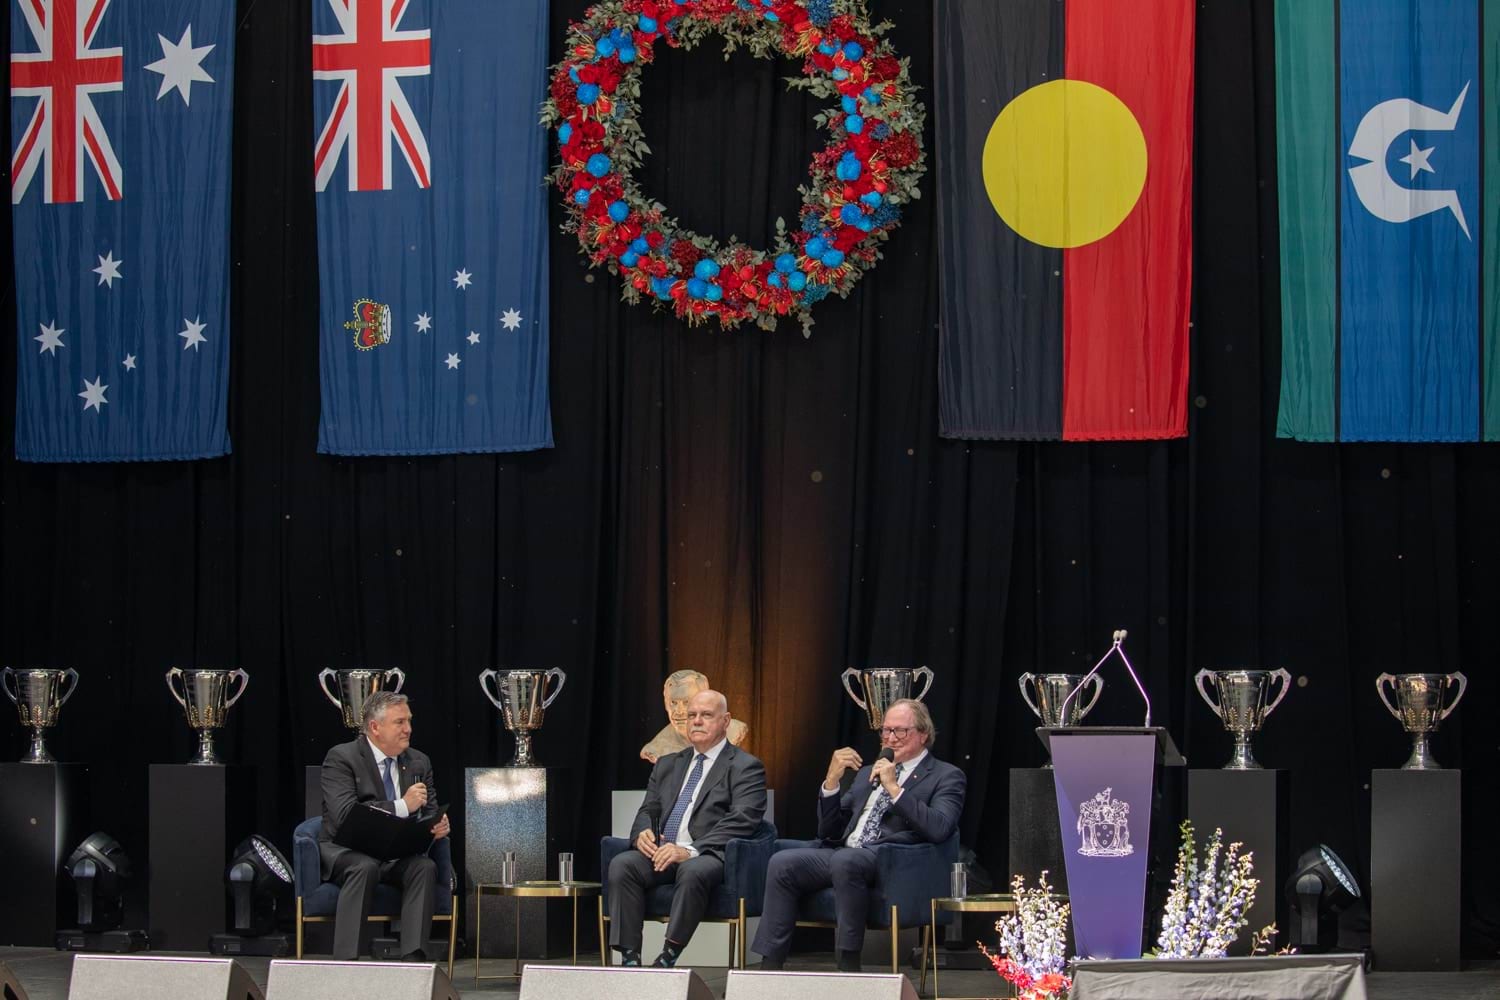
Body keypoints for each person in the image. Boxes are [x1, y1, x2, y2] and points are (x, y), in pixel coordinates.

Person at [752, 698, 965, 972]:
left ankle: (848, 963)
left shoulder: (946, 775)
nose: (890, 739)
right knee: (783, 862)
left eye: (900, 731)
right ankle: (769, 967)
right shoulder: (867, 773)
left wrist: (894, 788)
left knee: (846, 861)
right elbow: (829, 832)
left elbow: (940, 828)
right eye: (886, 731)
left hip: (892, 860)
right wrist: (831, 782)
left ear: (923, 734)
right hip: (846, 852)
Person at [610, 689, 767, 967]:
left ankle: (668, 956)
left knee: (694, 870)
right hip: (662, 852)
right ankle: (630, 958)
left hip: (708, 855)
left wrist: (689, 850)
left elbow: (744, 819)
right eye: (692, 715)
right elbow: (647, 809)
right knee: (623, 864)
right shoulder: (669, 764)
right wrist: (642, 834)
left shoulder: (745, 766)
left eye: (706, 715)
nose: (696, 721)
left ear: (725, 720)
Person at [320, 690, 450, 961]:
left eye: (409, 721)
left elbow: (428, 811)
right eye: (400, 722)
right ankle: (346, 961)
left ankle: (413, 957)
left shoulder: (418, 761)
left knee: (424, 867)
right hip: (347, 850)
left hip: (394, 853)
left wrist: (437, 826)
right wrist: (402, 806)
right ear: (375, 727)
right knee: (363, 867)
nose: (408, 729)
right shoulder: (342, 758)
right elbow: (345, 814)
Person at [640, 669, 750, 763]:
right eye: (673, 702)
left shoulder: (734, 730)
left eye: (686, 702)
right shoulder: (656, 749)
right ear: (665, 704)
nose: (678, 711)